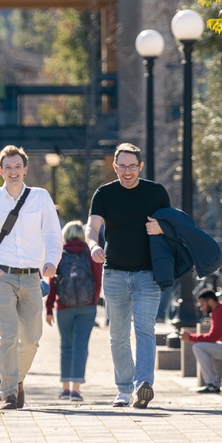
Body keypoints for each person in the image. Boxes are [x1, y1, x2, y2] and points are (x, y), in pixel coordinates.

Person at [0, 145, 62, 410]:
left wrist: (52, 260)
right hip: (2, 276)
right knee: (7, 336)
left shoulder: (40, 198)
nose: (13, 172)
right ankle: (8, 392)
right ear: (0, 171)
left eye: (17, 167)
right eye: (8, 167)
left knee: (32, 339)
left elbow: (53, 234)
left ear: (25, 169)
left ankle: (16, 378)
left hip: (32, 277)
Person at [85, 142, 170, 408]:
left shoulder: (156, 192)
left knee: (144, 329)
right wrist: (94, 245)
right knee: (118, 335)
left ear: (140, 166)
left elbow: (172, 225)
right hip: (114, 274)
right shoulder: (104, 194)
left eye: (132, 166)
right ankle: (123, 389)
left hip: (148, 274)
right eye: (122, 166)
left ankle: (142, 385)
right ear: (114, 167)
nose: (127, 171)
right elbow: (92, 227)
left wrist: (162, 228)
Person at [45, 221, 103, 402]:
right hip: (87, 307)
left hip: (64, 307)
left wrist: (49, 308)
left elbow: (52, 283)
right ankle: (76, 391)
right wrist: (93, 301)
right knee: (81, 346)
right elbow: (98, 280)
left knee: (66, 346)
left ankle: (65, 389)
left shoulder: (60, 255)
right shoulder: (89, 254)